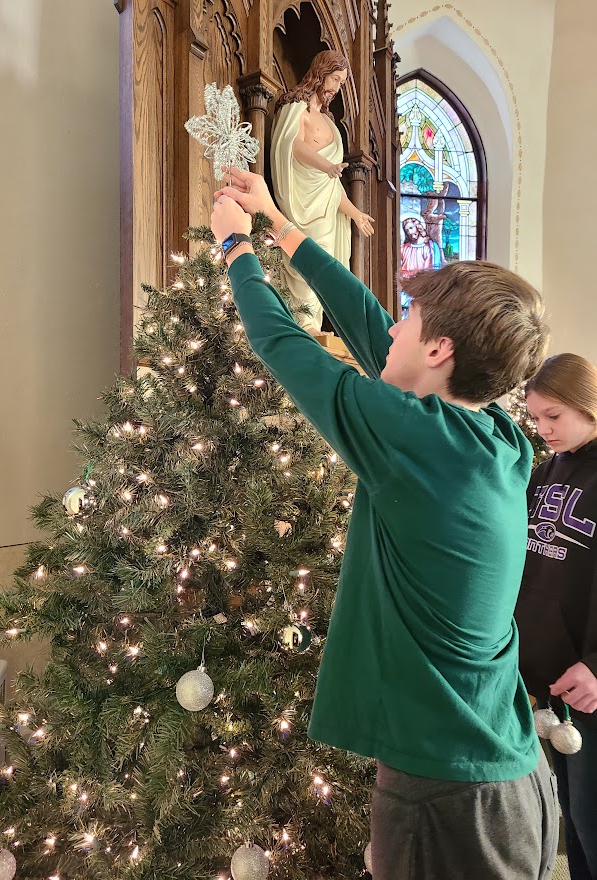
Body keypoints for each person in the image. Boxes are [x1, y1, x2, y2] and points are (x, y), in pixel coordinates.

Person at [211, 166, 557, 879]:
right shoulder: (490, 434)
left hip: (449, 795)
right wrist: (279, 220)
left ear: (439, 353)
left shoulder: (418, 440)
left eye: (412, 319)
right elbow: (369, 324)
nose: (391, 325)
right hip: (500, 775)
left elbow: (285, 346)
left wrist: (236, 250)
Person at [516, 353, 597, 880]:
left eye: (555, 417)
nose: (543, 429)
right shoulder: (543, 472)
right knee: (575, 823)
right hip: (550, 691)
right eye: (536, 417)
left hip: (591, 686)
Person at [270, 50, 374, 332]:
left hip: (325, 212)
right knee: (303, 261)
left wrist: (355, 213)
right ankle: (302, 327)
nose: (336, 88)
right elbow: (291, 145)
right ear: (320, 73)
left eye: (341, 83)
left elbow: (333, 185)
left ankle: (312, 326)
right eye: (335, 79)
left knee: (323, 267)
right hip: (299, 204)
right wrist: (325, 164)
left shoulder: (330, 123)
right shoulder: (295, 110)